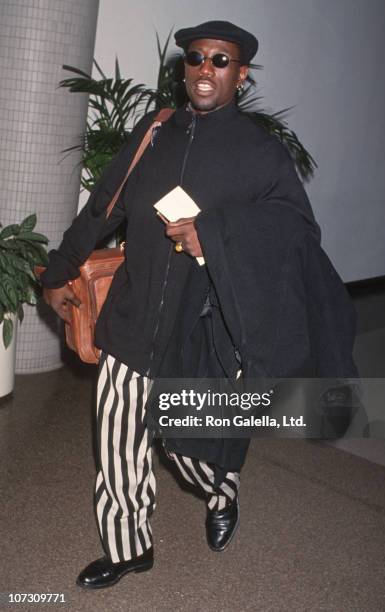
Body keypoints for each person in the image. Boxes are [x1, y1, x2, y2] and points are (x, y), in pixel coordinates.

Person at [41, 20, 357, 589]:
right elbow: (103, 206)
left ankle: (221, 486)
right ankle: (127, 546)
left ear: (242, 74)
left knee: (187, 444)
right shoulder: (154, 132)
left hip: (201, 327)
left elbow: (297, 231)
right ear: (183, 66)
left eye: (219, 60)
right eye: (195, 58)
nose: (204, 70)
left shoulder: (261, 153)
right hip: (134, 317)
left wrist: (214, 232)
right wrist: (58, 270)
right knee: (117, 439)